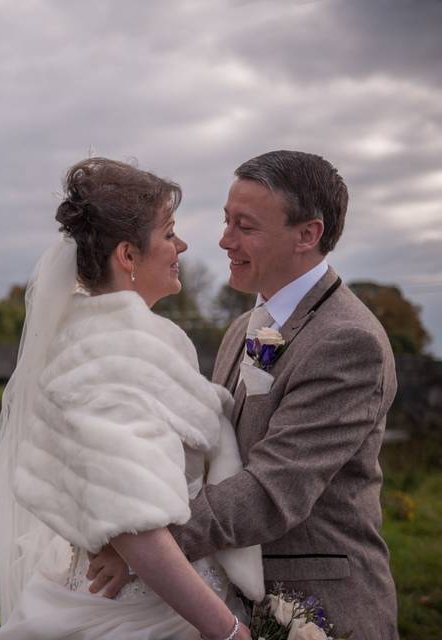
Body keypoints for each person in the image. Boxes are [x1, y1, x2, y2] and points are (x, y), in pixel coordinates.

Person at [85, 151, 399, 640]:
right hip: (236, 599)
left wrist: (146, 546)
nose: (224, 240)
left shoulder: (346, 341)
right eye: (226, 221)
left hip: (319, 608)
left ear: (307, 235)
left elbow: (275, 489)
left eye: (245, 227)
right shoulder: (241, 328)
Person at [0, 157, 263, 640]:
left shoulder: (136, 343)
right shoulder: (106, 357)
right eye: (169, 232)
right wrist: (229, 632)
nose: (182, 245)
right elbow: (136, 529)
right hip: (141, 616)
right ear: (128, 256)